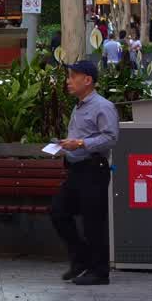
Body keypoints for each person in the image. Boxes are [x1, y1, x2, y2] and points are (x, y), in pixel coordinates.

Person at [51, 60, 119, 286]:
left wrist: (80, 144)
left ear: (87, 80)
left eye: (73, 77)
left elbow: (111, 137)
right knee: (58, 211)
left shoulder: (103, 106)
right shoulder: (79, 105)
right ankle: (81, 257)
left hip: (93, 169)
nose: (68, 81)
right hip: (76, 169)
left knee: (93, 222)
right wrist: (65, 145)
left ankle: (99, 272)